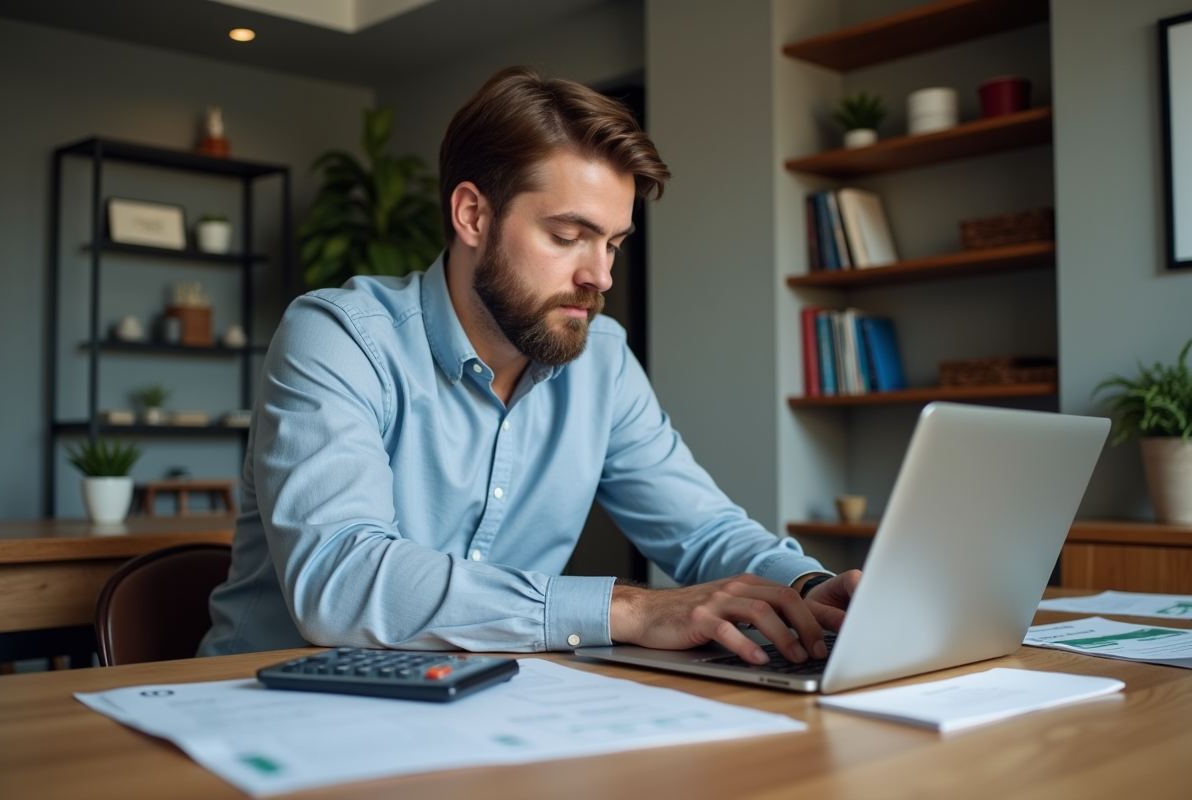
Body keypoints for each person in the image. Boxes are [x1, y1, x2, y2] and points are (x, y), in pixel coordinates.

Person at [199, 66, 860, 667]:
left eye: (613, 244)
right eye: (567, 237)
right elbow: (341, 583)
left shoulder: (602, 361)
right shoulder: (338, 337)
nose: (597, 276)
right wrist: (629, 609)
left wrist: (810, 588)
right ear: (472, 215)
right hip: (267, 706)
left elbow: (704, 530)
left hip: (476, 707)